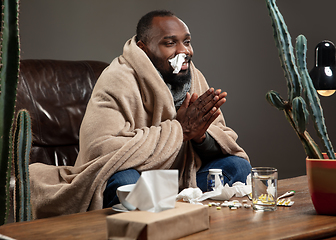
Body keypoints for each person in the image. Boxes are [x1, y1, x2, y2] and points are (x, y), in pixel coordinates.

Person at [29, 10, 251, 218]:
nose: (184, 51)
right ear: (144, 48)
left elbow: (222, 138)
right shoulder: (118, 78)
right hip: (139, 179)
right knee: (126, 182)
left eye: (187, 42)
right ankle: (172, 212)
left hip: (182, 180)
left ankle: (172, 208)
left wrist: (201, 137)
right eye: (170, 43)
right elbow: (102, 148)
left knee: (237, 166)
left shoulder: (193, 77)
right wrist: (179, 130)